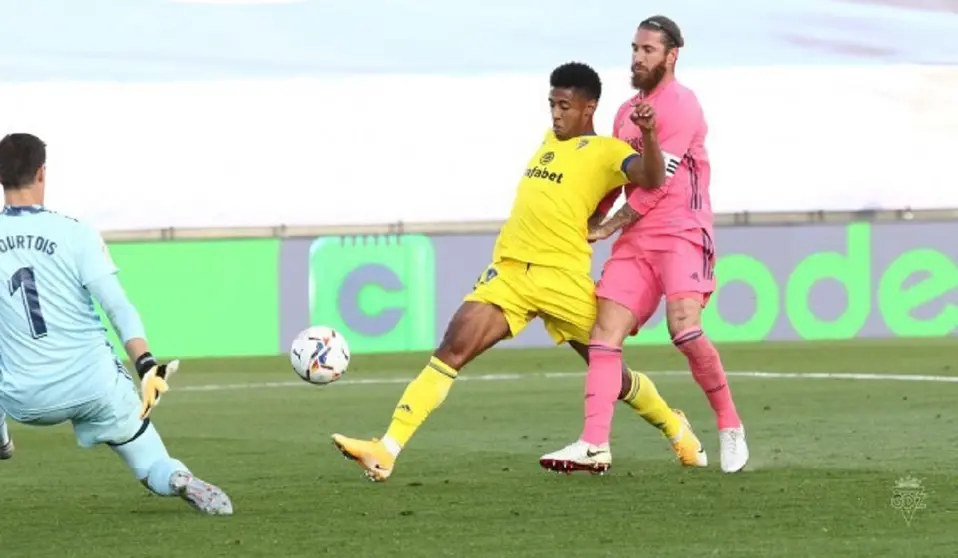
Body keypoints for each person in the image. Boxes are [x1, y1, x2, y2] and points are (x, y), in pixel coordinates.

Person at [332, 62, 707, 481]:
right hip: (510, 274)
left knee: (612, 376)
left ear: (589, 107)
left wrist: (652, 134)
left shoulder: (608, 151)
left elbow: (654, 177)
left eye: (565, 105)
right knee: (452, 349)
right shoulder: (548, 141)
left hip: (562, 278)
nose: (556, 114)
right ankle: (386, 450)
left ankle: (676, 428)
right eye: (551, 104)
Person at [540, 16, 749, 474]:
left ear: (672, 55)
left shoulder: (682, 105)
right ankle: (594, 443)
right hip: (638, 243)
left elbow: (655, 186)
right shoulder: (625, 113)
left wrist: (607, 227)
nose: (637, 57)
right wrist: (589, 216)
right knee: (602, 336)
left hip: (681, 231)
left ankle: (730, 424)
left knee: (685, 330)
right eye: (635, 48)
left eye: (648, 50)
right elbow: (621, 177)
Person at [0, 133, 233, 514]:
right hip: (93, 384)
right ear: (42, 172)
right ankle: (178, 478)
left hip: (25, 399)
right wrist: (144, 363)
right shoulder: (76, 233)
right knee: (150, 464)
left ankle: (2, 441)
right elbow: (117, 306)